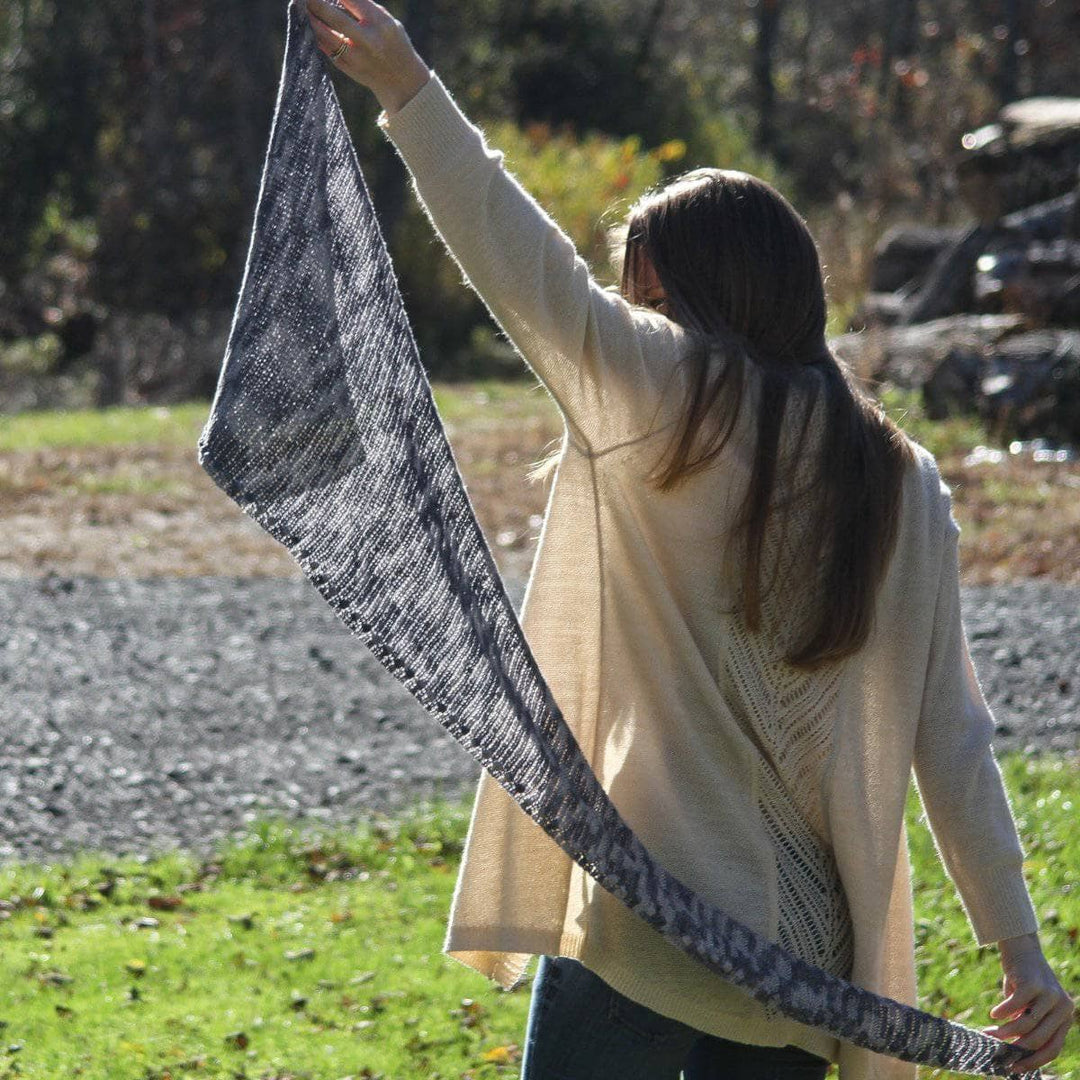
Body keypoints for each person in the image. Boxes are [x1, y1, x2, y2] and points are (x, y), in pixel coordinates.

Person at [302, 1, 1075, 1077]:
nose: (636, 321)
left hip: (647, 923)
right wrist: (1022, 954)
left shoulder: (666, 397)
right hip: (804, 976)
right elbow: (952, 740)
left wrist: (409, 93)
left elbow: (519, 261)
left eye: (649, 301)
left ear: (693, 299)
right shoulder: (905, 478)